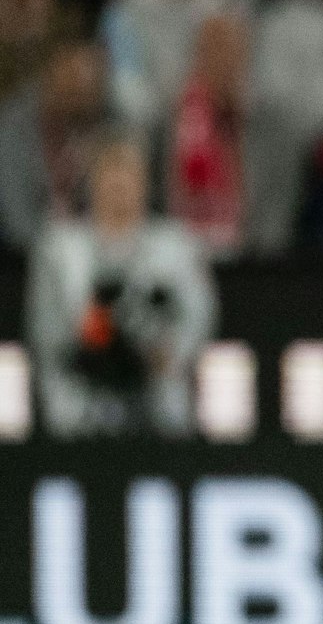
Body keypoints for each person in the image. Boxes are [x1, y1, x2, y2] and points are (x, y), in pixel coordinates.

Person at [27, 127, 215, 438]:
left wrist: (166, 348)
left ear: (144, 180)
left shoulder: (176, 247)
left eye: (127, 170)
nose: (118, 182)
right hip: (78, 408)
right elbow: (46, 333)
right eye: (109, 170)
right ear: (92, 181)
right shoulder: (60, 250)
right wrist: (88, 335)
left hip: (159, 408)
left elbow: (199, 317)